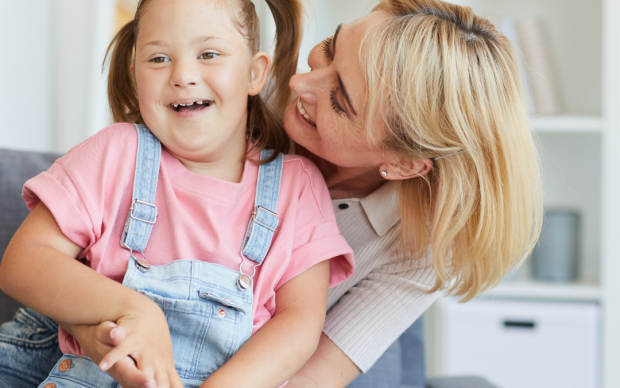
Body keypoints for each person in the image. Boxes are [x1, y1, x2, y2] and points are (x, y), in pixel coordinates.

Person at [0, 0, 543, 387]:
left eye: (341, 99)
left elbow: (305, 362)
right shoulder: (178, 126)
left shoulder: (375, 233)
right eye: (328, 49)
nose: (302, 85)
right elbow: (62, 262)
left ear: (402, 162)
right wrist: (111, 321)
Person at [0, 0, 355, 387]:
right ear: (135, 74)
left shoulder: (297, 188)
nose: (183, 75)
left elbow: (300, 324)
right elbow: (23, 263)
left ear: (255, 73)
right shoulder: (116, 153)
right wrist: (135, 309)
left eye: (209, 53)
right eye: (158, 59)